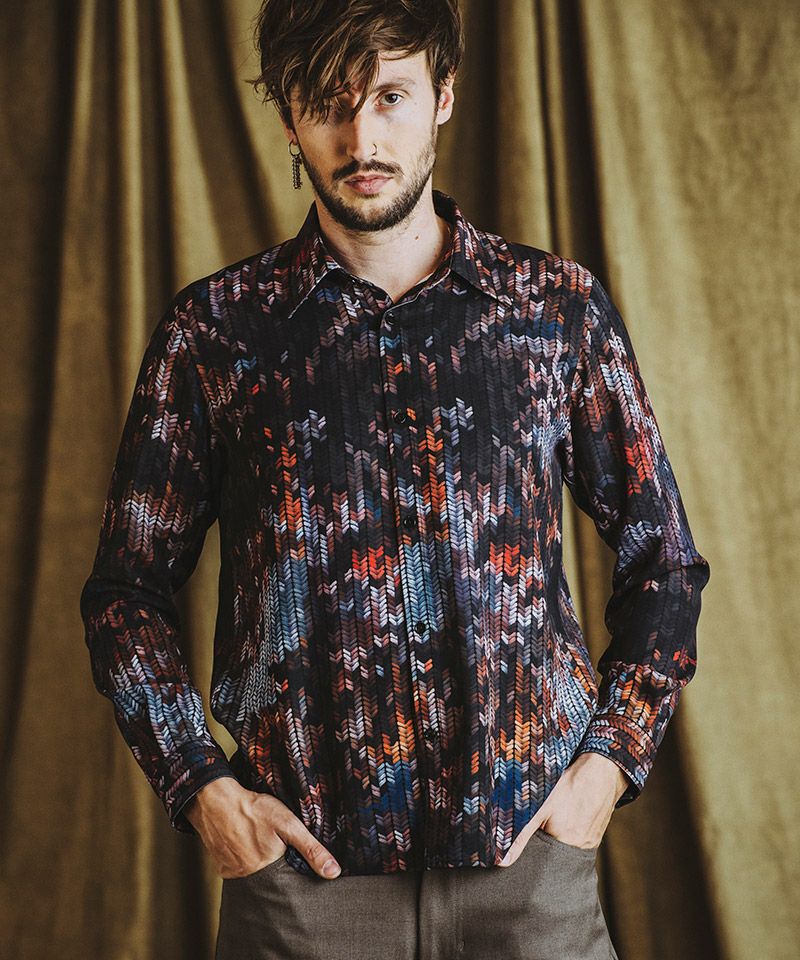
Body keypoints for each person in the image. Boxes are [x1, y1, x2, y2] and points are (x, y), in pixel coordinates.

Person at [79, 1, 711, 958]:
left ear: (443, 96)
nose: (361, 140)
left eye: (389, 97)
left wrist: (607, 768)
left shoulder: (556, 311)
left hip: (530, 879)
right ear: (288, 118)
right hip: (302, 894)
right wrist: (200, 788)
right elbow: (125, 593)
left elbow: (664, 562)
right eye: (327, 105)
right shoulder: (216, 333)